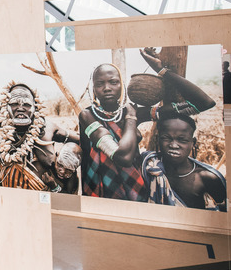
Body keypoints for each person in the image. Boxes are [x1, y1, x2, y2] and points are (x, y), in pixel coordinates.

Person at [78, 47, 215, 202]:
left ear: (122, 85)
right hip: (99, 193)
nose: (107, 88)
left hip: (136, 192)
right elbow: (123, 157)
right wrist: (131, 117)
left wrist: (162, 70)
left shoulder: (136, 112)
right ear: (94, 89)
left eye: (113, 82)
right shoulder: (87, 116)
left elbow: (204, 103)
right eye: (100, 84)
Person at [0, 82, 78, 191]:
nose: (20, 108)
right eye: (14, 104)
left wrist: (69, 156)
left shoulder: (47, 129)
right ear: (5, 107)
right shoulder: (2, 147)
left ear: (35, 107)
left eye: (26, 105)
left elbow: (80, 140)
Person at [141, 116, 227, 211]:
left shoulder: (206, 178)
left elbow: (226, 210)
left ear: (193, 142)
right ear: (158, 139)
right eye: (167, 138)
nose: (174, 145)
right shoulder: (149, 167)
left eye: (182, 140)